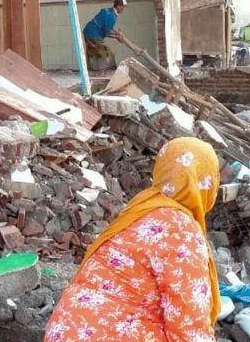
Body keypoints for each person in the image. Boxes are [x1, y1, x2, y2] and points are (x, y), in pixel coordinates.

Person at [45, 137, 221, 342]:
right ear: (206, 181)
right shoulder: (180, 229)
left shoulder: (141, 208)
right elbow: (188, 324)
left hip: (67, 329)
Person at [82, 0, 127, 72]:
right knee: (108, 53)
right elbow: (107, 33)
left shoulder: (108, 10)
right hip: (93, 34)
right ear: (118, 6)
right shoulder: (111, 17)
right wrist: (117, 37)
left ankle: (93, 71)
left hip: (87, 31)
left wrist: (116, 33)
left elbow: (108, 27)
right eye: (123, 7)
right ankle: (105, 72)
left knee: (93, 52)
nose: (123, 9)